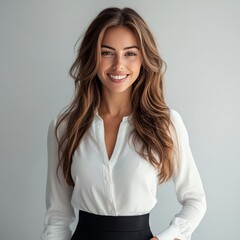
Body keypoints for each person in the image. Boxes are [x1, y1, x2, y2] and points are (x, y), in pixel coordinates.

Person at [41, 7, 206, 240]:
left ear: (143, 59)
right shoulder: (65, 127)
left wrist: (167, 237)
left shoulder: (166, 123)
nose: (119, 65)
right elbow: (57, 217)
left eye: (130, 54)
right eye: (107, 52)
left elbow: (195, 200)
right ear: (92, 57)